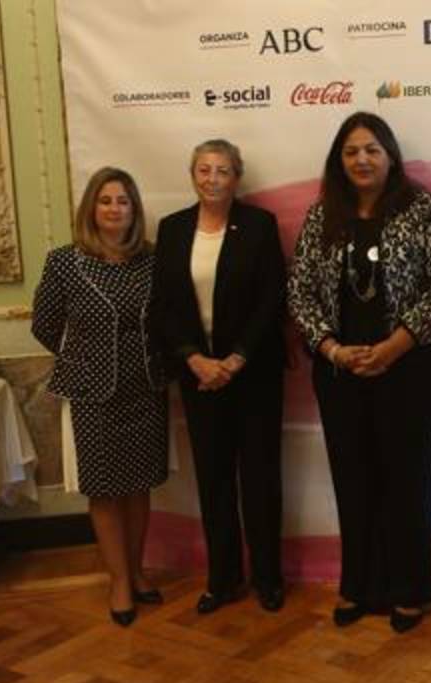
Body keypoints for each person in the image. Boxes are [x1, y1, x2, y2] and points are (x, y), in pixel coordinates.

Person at [289, 111, 431, 634]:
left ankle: (410, 590)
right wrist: (333, 349)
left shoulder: (422, 208)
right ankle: (357, 587)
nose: (361, 159)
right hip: (341, 372)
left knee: (407, 481)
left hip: (410, 368)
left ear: (390, 155)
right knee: (354, 479)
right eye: (350, 152)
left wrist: (393, 346)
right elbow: (298, 290)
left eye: (371, 150)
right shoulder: (324, 216)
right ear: (338, 162)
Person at [152, 139, 287, 615]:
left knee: (260, 479)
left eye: (223, 170)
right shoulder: (171, 230)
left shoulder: (258, 225)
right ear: (193, 174)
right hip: (198, 377)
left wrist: (236, 360)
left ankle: (268, 579)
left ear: (237, 177)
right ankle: (223, 579)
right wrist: (193, 359)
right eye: (204, 169)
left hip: (252, 376)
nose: (212, 178)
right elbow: (165, 308)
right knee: (213, 482)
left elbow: (272, 299)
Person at [32, 167, 167, 627]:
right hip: (92, 393)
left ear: (135, 210)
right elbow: (44, 324)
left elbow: (169, 317)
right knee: (105, 489)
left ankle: (138, 569)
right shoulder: (64, 262)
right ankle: (119, 581)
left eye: (123, 201)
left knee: (140, 484)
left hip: (146, 387)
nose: (115, 209)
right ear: (91, 207)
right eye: (106, 200)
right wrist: (85, 360)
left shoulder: (152, 259)